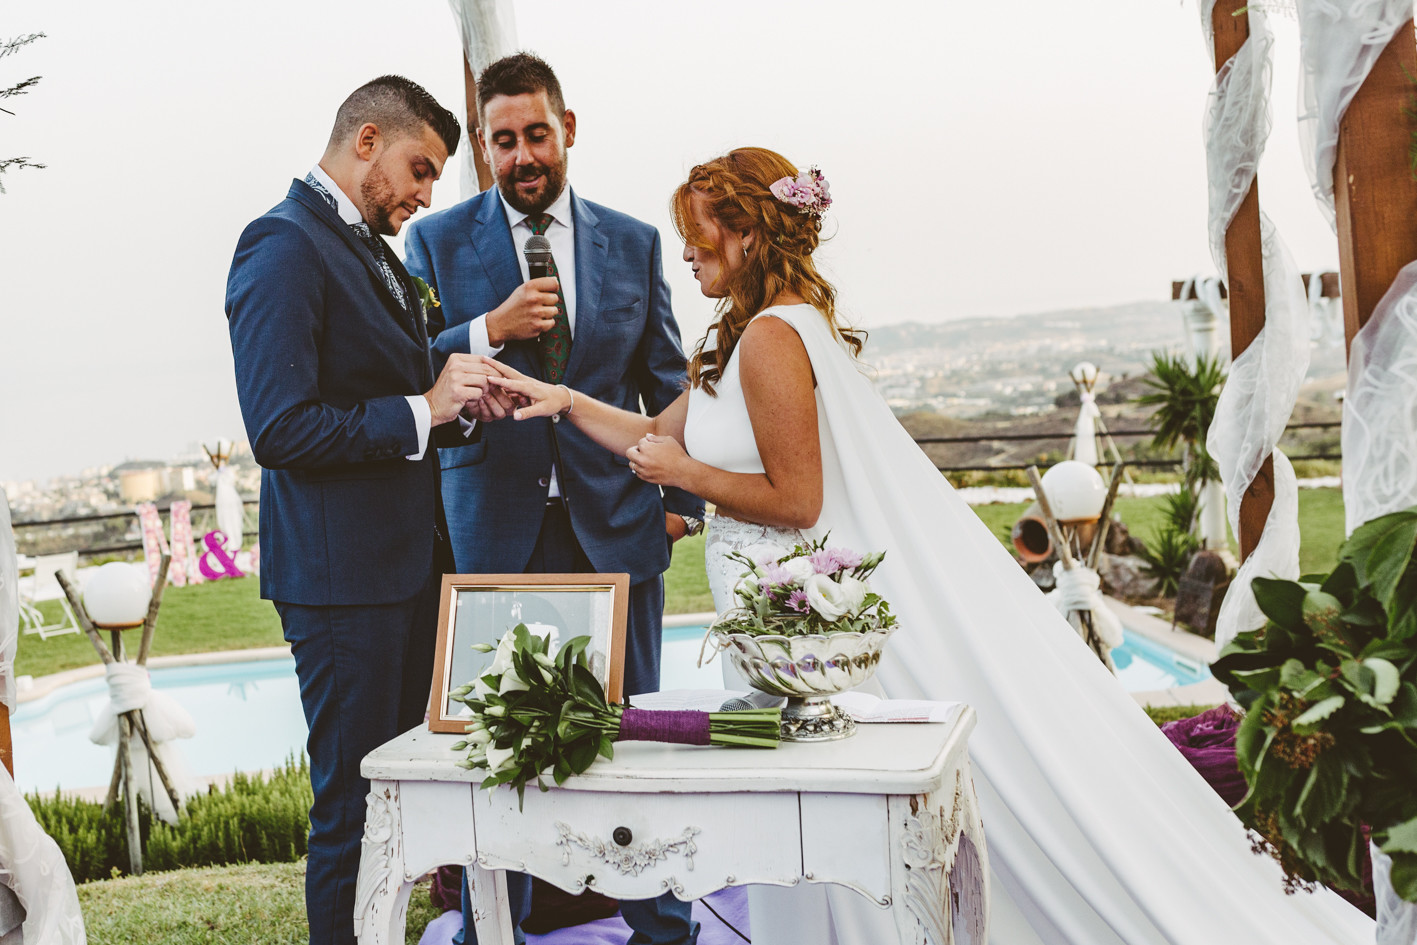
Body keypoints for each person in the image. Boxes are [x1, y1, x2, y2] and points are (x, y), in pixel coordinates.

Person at [488, 147, 1376, 945]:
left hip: (790, 607)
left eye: (699, 235)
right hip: (762, 601)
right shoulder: (739, 336)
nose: (685, 253)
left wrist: (683, 472)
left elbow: (797, 499)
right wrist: (563, 400)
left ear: (749, 234)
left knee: (834, 799)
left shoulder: (768, 338)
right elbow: (650, 428)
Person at [403, 53, 704, 945]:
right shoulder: (437, 241)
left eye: (536, 134)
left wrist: (683, 498)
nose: (522, 154)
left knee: (638, 740)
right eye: (503, 141)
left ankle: (662, 925)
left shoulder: (636, 240)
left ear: (567, 128)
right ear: (485, 149)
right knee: (503, 747)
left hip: (618, 526)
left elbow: (667, 385)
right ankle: (495, 928)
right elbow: (409, 364)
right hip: (493, 527)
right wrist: (484, 328)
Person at [226, 76, 512, 945]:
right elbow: (281, 427)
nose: (426, 194)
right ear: (365, 141)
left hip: (407, 570)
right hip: (341, 584)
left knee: (414, 794)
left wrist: (458, 396)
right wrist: (424, 408)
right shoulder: (279, 246)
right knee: (352, 810)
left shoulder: (373, 249)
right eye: (419, 169)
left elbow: (389, 376)